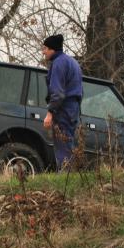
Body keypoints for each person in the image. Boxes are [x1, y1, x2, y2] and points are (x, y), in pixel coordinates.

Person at [41, 34, 83, 169]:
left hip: (63, 109)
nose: (43, 51)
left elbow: (57, 93)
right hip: (73, 108)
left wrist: (50, 113)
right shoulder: (73, 62)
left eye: (45, 48)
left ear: (53, 49)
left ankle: (65, 177)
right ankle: (69, 177)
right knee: (68, 142)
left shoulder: (58, 63)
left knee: (62, 144)